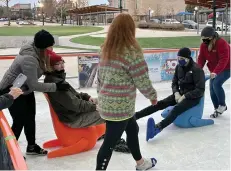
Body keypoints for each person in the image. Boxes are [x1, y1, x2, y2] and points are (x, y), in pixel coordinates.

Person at [96, 13, 158, 171]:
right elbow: (141, 79)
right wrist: (152, 96)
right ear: (131, 30)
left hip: (110, 103)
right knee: (109, 144)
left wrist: (101, 97)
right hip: (120, 108)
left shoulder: (106, 49)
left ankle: (140, 163)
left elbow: (100, 78)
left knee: (133, 129)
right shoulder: (131, 52)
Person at [44, 50, 131, 153]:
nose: (62, 66)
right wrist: (94, 107)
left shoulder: (58, 79)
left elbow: (75, 96)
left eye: (62, 63)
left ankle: (107, 134)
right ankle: (115, 142)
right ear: (50, 67)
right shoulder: (56, 85)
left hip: (75, 114)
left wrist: (87, 97)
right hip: (74, 118)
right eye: (58, 64)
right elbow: (75, 104)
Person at [0, 30, 69, 156]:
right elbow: (34, 85)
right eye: (49, 46)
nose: (51, 48)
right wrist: (56, 86)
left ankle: (31, 146)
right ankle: (9, 152)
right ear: (42, 47)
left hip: (25, 88)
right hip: (12, 89)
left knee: (30, 117)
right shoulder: (29, 59)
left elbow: (42, 68)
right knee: (19, 120)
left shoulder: (39, 50)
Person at [135, 48, 205, 139]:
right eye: (178, 58)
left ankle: (157, 128)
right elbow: (174, 83)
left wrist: (185, 96)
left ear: (188, 58)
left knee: (176, 109)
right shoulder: (178, 67)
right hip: (180, 94)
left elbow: (200, 90)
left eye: (182, 59)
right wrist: (176, 92)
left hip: (192, 98)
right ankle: (136, 116)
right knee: (160, 104)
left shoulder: (197, 70)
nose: (179, 60)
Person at [197, 26, 230, 118]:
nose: (204, 41)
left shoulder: (221, 43)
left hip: (227, 68)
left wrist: (215, 72)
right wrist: (198, 70)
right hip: (214, 69)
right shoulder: (204, 45)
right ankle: (217, 108)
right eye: (203, 39)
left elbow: (224, 59)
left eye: (206, 39)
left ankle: (222, 105)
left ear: (212, 37)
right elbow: (201, 58)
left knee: (216, 84)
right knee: (211, 88)